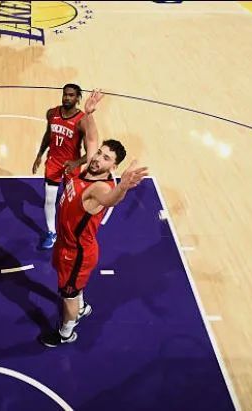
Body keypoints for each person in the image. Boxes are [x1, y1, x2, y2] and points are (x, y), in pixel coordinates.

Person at [39, 139, 148, 347]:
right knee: (72, 288)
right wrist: (77, 160)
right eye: (99, 153)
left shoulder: (99, 187)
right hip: (66, 245)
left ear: (113, 167)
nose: (98, 159)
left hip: (76, 255)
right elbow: (90, 139)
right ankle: (81, 308)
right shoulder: (88, 171)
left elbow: (110, 199)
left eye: (106, 158)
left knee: (68, 295)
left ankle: (65, 333)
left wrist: (122, 187)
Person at [32, 85, 104, 249]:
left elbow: (91, 151)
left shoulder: (82, 121)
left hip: (72, 167)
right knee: (50, 199)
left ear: (78, 98)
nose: (67, 98)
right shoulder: (52, 113)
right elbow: (48, 135)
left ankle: (72, 230)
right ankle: (52, 232)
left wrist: (76, 163)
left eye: (71, 95)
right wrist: (39, 154)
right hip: (54, 163)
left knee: (72, 203)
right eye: (65, 95)